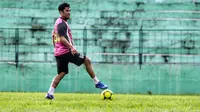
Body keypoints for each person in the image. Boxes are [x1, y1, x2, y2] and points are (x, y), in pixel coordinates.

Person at [45, 2, 108, 100]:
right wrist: (71, 47)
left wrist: (56, 49)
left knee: (61, 73)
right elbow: (62, 38)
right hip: (65, 51)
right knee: (87, 61)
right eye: (66, 11)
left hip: (58, 52)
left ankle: (50, 93)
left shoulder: (58, 22)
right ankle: (97, 82)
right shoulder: (61, 24)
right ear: (61, 12)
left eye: (69, 10)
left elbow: (54, 37)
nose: (69, 12)